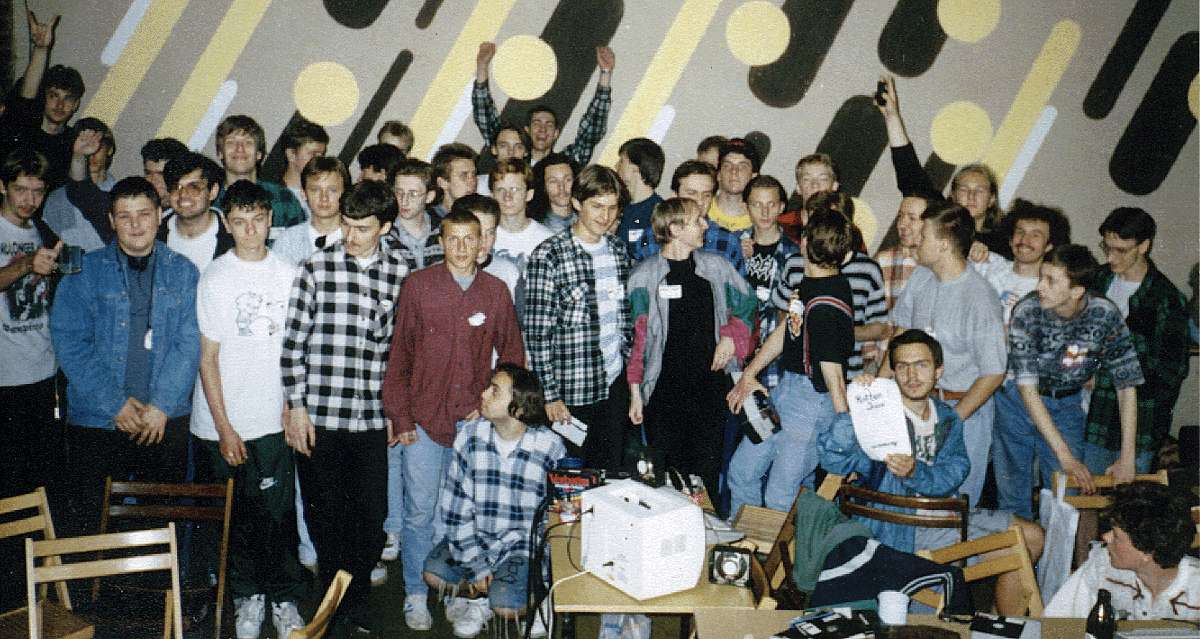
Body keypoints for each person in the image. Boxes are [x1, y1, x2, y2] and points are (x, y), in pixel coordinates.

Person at [818, 329, 1045, 615]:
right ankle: (987, 623)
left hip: (944, 515)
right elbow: (834, 460)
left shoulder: (947, 416)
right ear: (893, 373)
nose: (912, 376)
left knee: (1033, 536)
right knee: (1016, 550)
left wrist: (916, 472)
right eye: (903, 367)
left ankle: (997, 624)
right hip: (901, 528)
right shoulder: (879, 415)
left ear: (939, 371)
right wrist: (853, 408)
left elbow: (955, 471)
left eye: (921, 365)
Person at [382, 207, 524, 630]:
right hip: (423, 420)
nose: (462, 247)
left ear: (483, 244)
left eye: (470, 239)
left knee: (462, 512)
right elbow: (399, 356)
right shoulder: (419, 286)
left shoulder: (495, 291)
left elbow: (512, 358)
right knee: (419, 512)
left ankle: (454, 590)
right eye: (453, 239)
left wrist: (493, 407)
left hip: (472, 423)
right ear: (441, 243)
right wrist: (401, 417)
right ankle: (415, 591)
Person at [280, 180, 407, 634]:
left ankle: (355, 605)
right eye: (346, 225)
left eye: (362, 228)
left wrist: (397, 410)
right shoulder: (315, 268)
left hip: (371, 417)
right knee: (325, 520)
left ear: (385, 227)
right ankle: (330, 612)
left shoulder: (401, 271)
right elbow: (292, 345)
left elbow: (401, 350)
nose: (350, 236)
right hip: (321, 417)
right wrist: (296, 407)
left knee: (370, 520)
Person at [50, 176, 200, 533]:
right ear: (111, 221)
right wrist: (114, 403)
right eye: (124, 216)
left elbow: (189, 341)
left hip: (163, 419)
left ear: (160, 216)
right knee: (93, 524)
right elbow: (70, 342)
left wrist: (162, 405)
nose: (135, 225)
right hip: (99, 419)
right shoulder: (83, 271)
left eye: (144, 214)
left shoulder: (184, 272)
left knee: (160, 525)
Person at [191, 181, 307, 639]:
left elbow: (296, 351)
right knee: (236, 516)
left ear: (270, 220)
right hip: (222, 422)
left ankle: (284, 599)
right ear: (227, 223)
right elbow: (208, 359)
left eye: (257, 220)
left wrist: (291, 407)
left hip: (272, 419)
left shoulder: (289, 274)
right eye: (239, 222)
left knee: (277, 516)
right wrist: (224, 428)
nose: (250, 230)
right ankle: (248, 597)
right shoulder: (215, 278)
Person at [726, 208, 855, 516]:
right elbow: (788, 330)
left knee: (780, 496)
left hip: (813, 402)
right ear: (847, 256)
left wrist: (844, 435)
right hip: (787, 389)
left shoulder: (826, 307)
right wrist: (750, 374)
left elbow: (834, 377)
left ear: (804, 243)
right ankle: (745, 541)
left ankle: (778, 548)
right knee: (742, 472)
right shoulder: (815, 283)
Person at [422, 364, 565, 638]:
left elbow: (555, 520)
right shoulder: (470, 436)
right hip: (479, 539)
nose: (484, 394)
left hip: (521, 547)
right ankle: (478, 601)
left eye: (495, 391)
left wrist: (543, 568)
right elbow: (455, 510)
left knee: (507, 606)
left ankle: (540, 598)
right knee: (434, 574)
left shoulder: (549, 447)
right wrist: (477, 566)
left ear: (519, 409)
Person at [627, 197, 754, 498]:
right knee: (669, 478)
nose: (705, 225)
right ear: (675, 229)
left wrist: (730, 336)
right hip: (663, 395)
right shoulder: (643, 277)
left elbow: (748, 303)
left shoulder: (717, 267)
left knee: (707, 473)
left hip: (710, 392)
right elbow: (637, 341)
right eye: (697, 220)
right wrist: (635, 393)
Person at [1005, 245, 1143, 513]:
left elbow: (1126, 385)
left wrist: (1127, 458)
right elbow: (1027, 390)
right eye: (1041, 277)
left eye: (1050, 280)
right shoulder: (1026, 311)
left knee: (1066, 498)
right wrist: (1065, 456)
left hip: (1067, 404)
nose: (1039, 286)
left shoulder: (1104, 314)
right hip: (1017, 404)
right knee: (1014, 498)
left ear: (1077, 291)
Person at [886, 201, 1006, 508]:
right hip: (917, 406)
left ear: (943, 245)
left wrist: (950, 423)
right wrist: (877, 392)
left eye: (923, 234)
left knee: (953, 507)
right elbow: (899, 337)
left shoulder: (980, 298)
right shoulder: (921, 278)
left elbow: (994, 372)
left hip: (964, 413)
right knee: (908, 501)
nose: (915, 239)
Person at [524, 165, 632, 470]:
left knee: (609, 474)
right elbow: (537, 334)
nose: (605, 216)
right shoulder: (549, 255)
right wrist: (550, 396)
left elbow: (625, 323)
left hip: (614, 385)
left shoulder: (619, 251)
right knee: (571, 480)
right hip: (571, 391)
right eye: (597, 206)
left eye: (612, 208)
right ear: (576, 203)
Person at [979, 201, 1073, 516]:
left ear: (1050, 244)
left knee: (1058, 485)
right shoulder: (991, 273)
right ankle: (1020, 544)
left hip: (1047, 393)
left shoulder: (1057, 285)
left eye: (1035, 235)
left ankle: (1056, 546)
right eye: (1019, 232)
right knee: (1010, 484)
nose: (1025, 240)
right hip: (1003, 391)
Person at [1086, 207, 1189, 475]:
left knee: (1131, 495)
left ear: (1144, 246)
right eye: (1107, 247)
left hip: (1141, 423)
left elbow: (1171, 372)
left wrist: (1110, 375)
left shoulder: (1166, 299)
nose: (1111, 257)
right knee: (1085, 493)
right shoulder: (1097, 279)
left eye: (1121, 250)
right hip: (1091, 416)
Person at [877, 74, 1008, 256]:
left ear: (992, 198)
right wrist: (892, 116)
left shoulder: (1005, 240)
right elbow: (908, 169)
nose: (971, 196)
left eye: (979, 190)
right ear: (953, 195)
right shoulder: (940, 220)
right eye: (964, 189)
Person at [772, 192, 889, 376]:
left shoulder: (868, 269)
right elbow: (782, 317)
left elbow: (880, 328)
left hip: (849, 374)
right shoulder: (794, 264)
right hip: (800, 375)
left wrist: (832, 331)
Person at [0, 149, 62, 497]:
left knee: (42, 478)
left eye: (38, 191)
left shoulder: (42, 231)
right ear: (3, 186)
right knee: (10, 483)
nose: (30, 200)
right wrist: (25, 265)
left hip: (43, 370)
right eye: (21, 189)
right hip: (5, 376)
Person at [1045, 481, 1198, 619]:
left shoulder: (1195, 589)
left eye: (1116, 536)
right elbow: (1057, 620)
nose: (1106, 537)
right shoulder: (1102, 566)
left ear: (1146, 551)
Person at [473, 42, 614, 166]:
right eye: (537, 123)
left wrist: (606, 73)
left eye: (549, 125)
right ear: (527, 131)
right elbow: (486, 117)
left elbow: (590, 133)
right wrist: (482, 66)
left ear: (556, 134)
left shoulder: (564, 164)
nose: (542, 129)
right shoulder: (512, 159)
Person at [0, 9, 79, 189]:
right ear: (44, 97)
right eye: (53, 95)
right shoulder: (23, 127)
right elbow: (27, 94)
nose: (60, 105)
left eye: (67, 99)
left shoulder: (72, 143)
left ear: (76, 105)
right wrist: (41, 49)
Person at [739, 175, 800, 391]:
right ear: (746, 207)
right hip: (736, 348)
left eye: (771, 204)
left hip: (775, 354)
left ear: (782, 207)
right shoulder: (733, 245)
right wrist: (737, 258)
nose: (764, 212)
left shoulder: (795, 254)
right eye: (757, 205)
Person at [637, 161, 746, 274]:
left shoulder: (727, 241)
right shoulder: (651, 238)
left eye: (706, 195)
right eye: (692, 193)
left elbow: (737, 284)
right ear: (675, 196)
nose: (700, 201)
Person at [213, 115, 305, 236]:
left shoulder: (284, 199)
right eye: (231, 143)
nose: (240, 149)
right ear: (220, 153)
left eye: (248, 143)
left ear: (259, 154)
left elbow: (301, 244)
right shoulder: (209, 203)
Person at [42, 117, 114, 252]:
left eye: (97, 146)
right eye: (84, 146)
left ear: (109, 149)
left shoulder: (123, 195)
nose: (90, 154)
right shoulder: (57, 199)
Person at [158, 152, 232, 272]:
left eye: (194, 187)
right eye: (176, 187)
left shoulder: (233, 236)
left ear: (213, 192)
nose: (183, 194)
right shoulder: (153, 234)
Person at [272, 156, 350, 267]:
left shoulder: (357, 239)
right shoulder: (288, 241)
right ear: (303, 194)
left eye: (332, 190)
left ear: (345, 194)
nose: (324, 197)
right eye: (315, 190)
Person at [455, 194, 522, 309]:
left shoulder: (508, 272)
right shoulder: (440, 272)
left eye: (490, 232)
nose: (484, 240)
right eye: (478, 232)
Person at [873, 192, 934, 313]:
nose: (902, 224)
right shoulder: (882, 262)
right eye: (900, 216)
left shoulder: (942, 264)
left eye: (912, 218)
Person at [491, 159, 552, 271]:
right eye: (500, 190)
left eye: (515, 189)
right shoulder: (482, 236)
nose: (507, 197)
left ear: (529, 194)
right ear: (492, 195)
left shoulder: (547, 240)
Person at [385, 158, 444, 272]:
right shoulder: (384, 232)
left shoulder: (443, 230)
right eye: (399, 192)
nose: (404, 201)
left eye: (413, 194)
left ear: (429, 197)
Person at [615, 138, 665, 261]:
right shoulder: (616, 206)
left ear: (636, 167)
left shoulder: (661, 212)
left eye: (621, 161)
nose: (616, 166)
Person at [279, 117, 329, 216]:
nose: (319, 160)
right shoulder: (273, 196)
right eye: (313, 154)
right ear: (291, 155)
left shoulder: (325, 196)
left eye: (321, 155)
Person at [708, 138, 759, 232]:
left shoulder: (761, 222)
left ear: (754, 176)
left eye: (742, 166)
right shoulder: (702, 212)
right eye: (727, 165)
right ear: (718, 174)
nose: (734, 171)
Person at [529, 152, 576, 233]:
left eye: (567, 180)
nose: (561, 187)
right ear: (543, 186)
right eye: (553, 181)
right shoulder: (535, 227)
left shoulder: (587, 219)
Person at [430, 143, 479, 218]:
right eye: (463, 175)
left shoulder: (482, 216)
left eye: (474, 174)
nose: (472, 181)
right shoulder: (429, 220)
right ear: (442, 183)